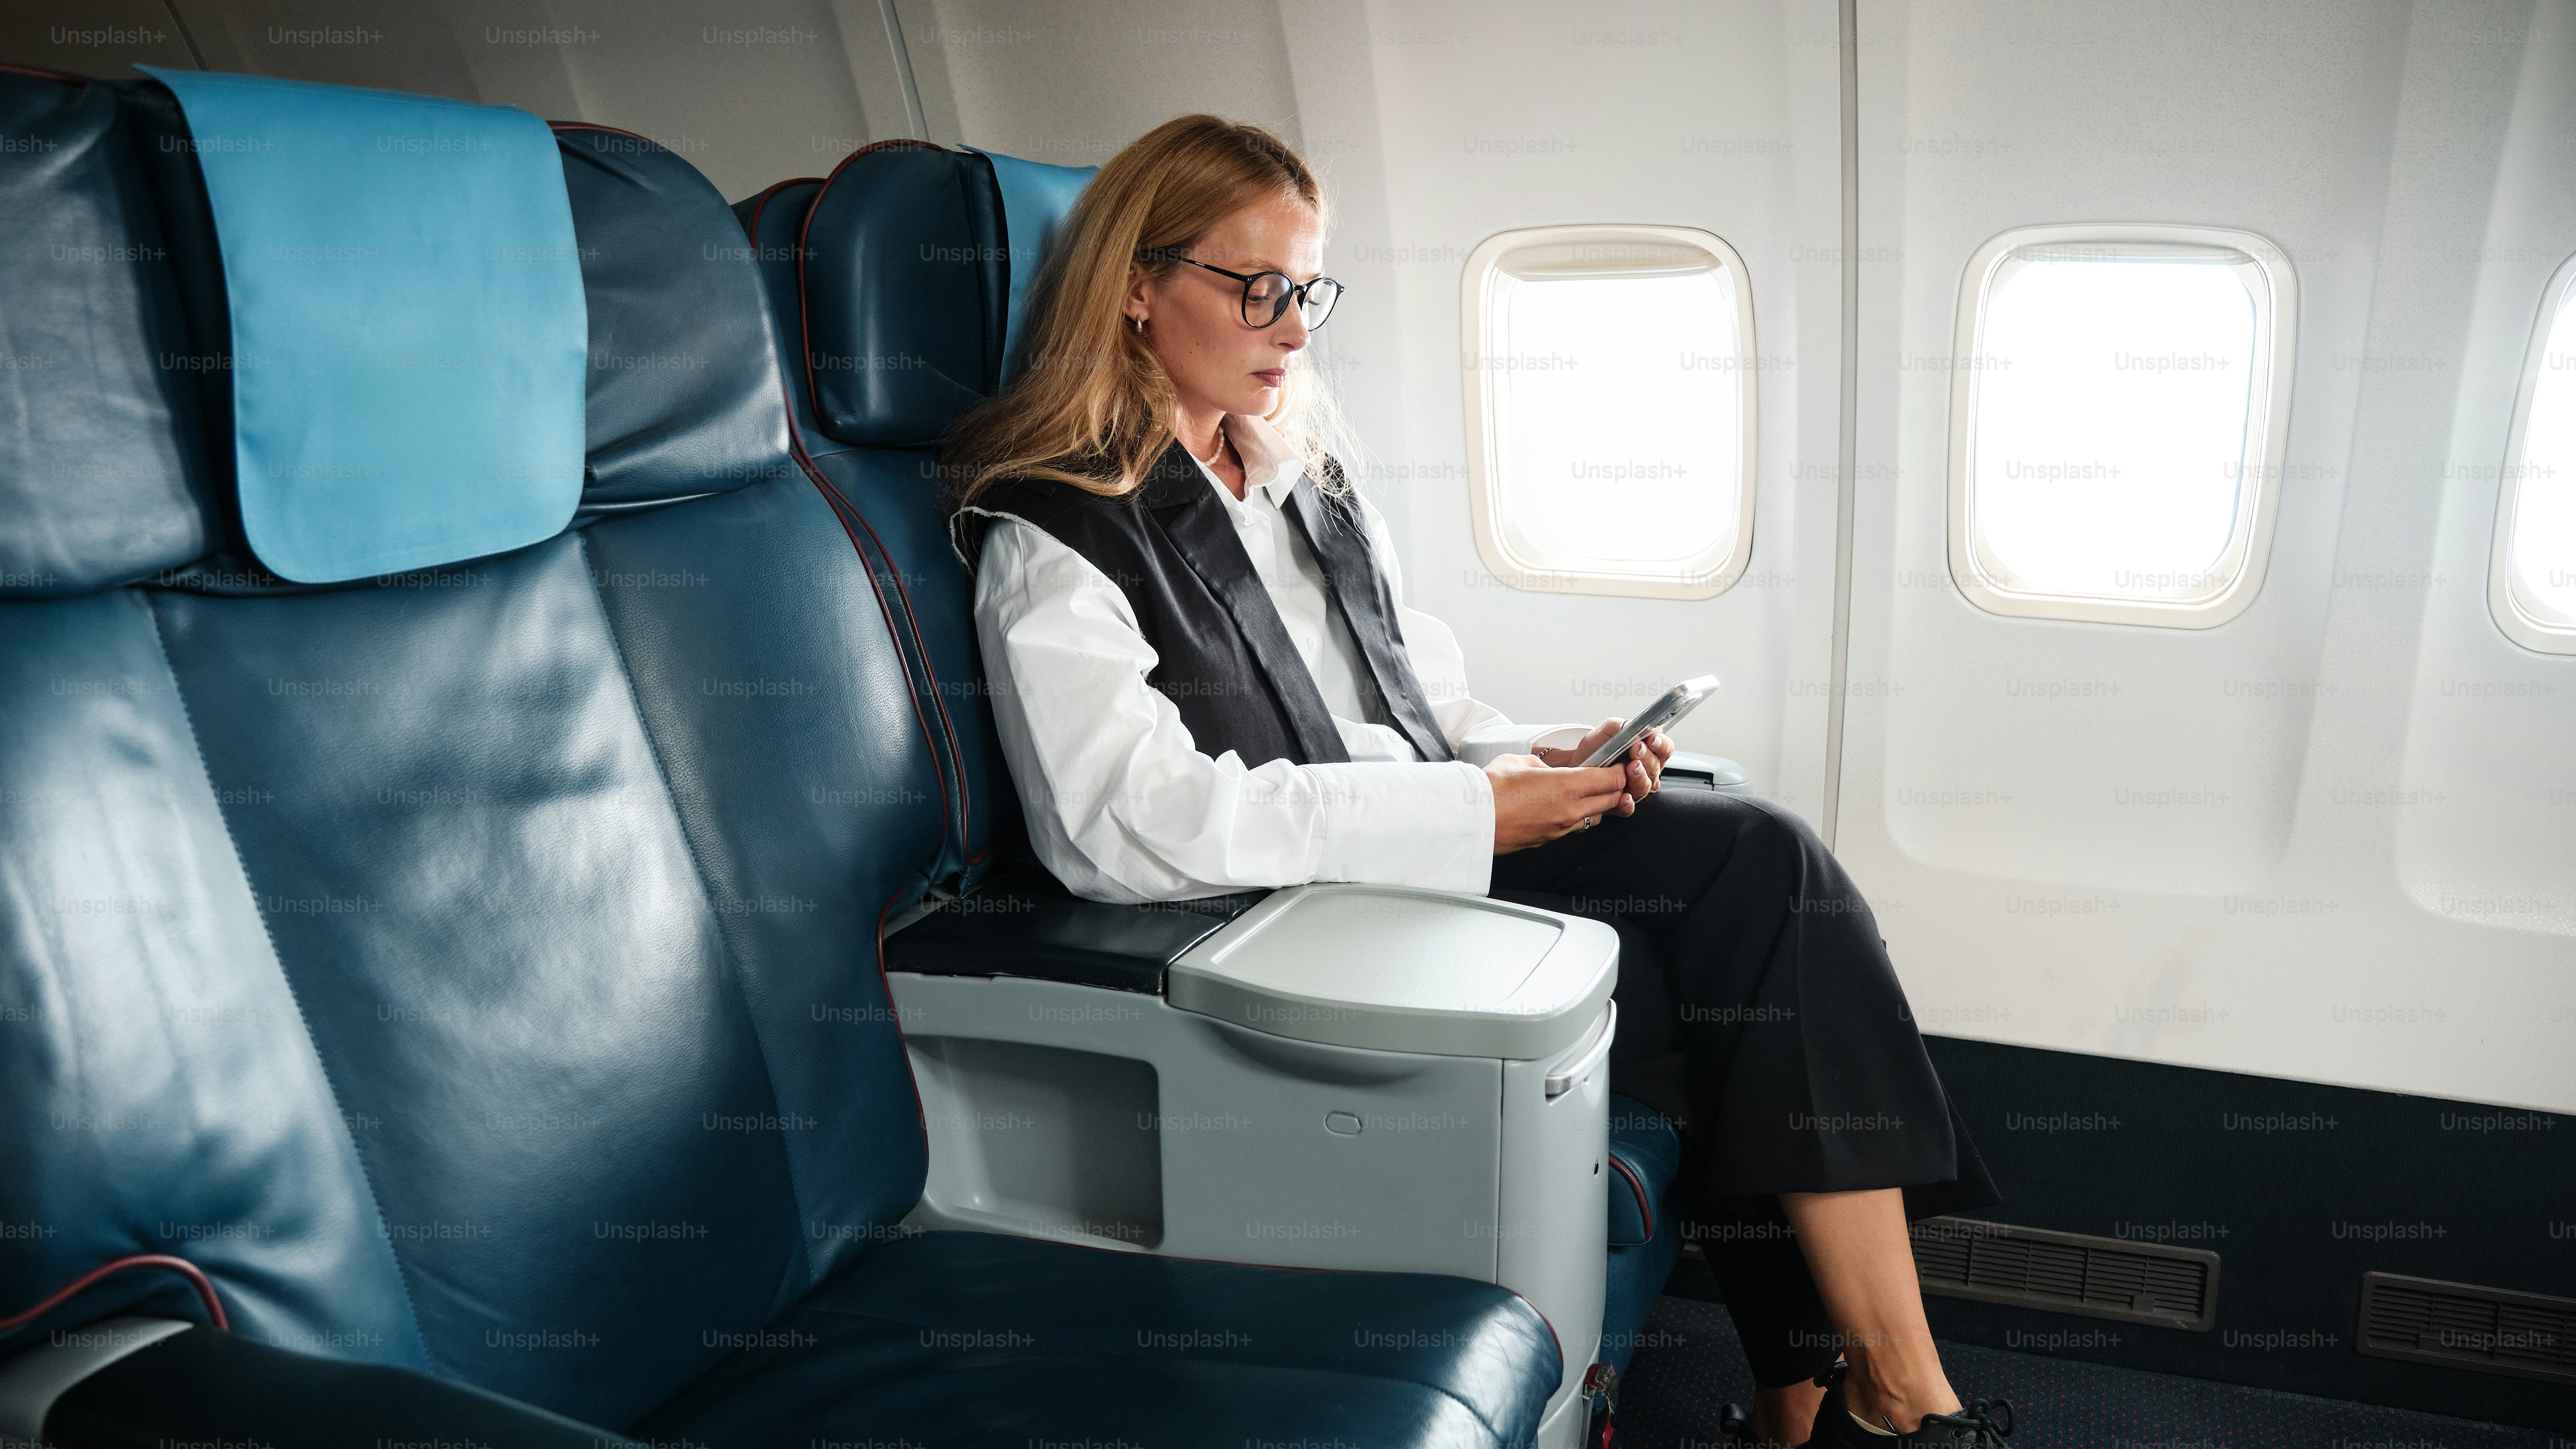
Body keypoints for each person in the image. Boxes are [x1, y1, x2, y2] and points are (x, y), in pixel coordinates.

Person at [941, 114, 2014, 1449]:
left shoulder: (1305, 479)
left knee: (1754, 884)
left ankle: (1827, 1399)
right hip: (1297, 917)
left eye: (1309, 290)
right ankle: (1877, 1403)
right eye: (1258, 288)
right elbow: (1128, 830)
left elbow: (1416, 700)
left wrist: (1528, 755)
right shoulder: (1051, 529)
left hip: (1429, 841)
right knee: (1750, 882)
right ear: (1134, 290)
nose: (1294, 327)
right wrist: (1474, 812)